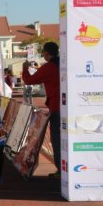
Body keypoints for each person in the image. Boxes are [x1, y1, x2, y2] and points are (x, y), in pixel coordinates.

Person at [22, 41, 60, 178]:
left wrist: (25, 69)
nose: (42, 54)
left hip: (56, 107)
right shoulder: (64, 64)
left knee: (57, 139)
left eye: (43, 52)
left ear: (47, 53)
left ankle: (61, 170)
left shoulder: (48, 67)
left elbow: (29, 80)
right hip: (69, 106)